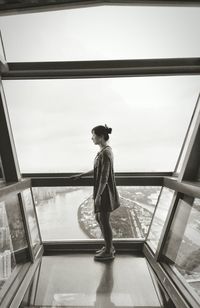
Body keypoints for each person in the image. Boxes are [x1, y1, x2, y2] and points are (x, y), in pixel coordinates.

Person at [71, 124, 120, 261]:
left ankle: (109, 251)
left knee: (104, 220)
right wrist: (81, 175)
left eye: (93, 135)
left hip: (104, 192)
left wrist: (98, 196)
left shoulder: (106, 152)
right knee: (100, 219)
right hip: (102, 191)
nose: (91, 138)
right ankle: (109, 246)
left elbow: (104, 177)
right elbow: (97, 170)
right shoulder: (103, 151)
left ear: (100, 136)